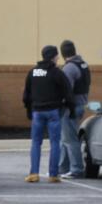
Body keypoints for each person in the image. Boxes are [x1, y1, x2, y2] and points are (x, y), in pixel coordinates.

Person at [22, 45, 72, 183]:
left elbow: (26, 95)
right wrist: (70, 108)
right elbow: (67, 92)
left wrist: (29, 110)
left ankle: (34, 173)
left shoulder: (33, 72)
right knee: (55, 143)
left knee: (36, 142)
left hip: (37, 112)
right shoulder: (56, 73)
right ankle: (53, 175)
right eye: (57, 56)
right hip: (53, 112)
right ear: (54, 57)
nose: (58, 58)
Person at [58, 40, 91, 179]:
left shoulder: (69, 68)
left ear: (62, 53)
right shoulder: (83, 64)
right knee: (65, 139)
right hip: (80, 105)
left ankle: (76, 169)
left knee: (70, 139)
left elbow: (66, 91)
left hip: (70, 108)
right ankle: (63, 168)